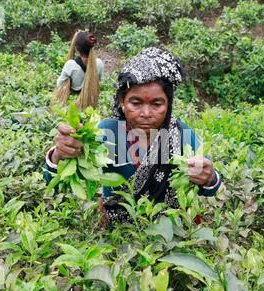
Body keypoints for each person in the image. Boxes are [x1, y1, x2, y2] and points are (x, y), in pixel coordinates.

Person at [44, 47, 221, 225]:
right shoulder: (107, 132)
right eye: (135, 103)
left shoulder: (180, 135)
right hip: (118, 235)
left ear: (168, 104)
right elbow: (54, 181)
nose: (145, 113)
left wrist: (209, 177)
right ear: (122, 102)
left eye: (157, 104)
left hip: (168, 234)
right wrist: (59, 153)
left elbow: (211, 186)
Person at [53, 30, 104, 110]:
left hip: (72, 105)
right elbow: (99, 80)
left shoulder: (70, 64)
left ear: (76, 48)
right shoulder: (99, 63)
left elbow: (60, 84)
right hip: (91, 104)